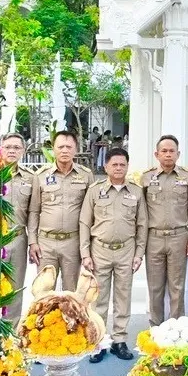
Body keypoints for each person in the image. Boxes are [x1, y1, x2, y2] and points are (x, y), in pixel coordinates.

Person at [80, 147, 145, 363]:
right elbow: (84, 222)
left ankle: (119, 340)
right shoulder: (94, 190)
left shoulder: (136, 192)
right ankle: (99, 341)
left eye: (122, 164)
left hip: (126, 250)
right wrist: (85, 253)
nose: (118, 168)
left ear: (127, 166)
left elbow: (142, 224)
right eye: (114, 164)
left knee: (123, 297)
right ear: (106, 166)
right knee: (99, 299)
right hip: (100, 250)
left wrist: (139, 253)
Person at [140, 135, 188, 325]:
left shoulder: (187, 177)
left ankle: (176, 328)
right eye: (164, 151)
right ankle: (155, 327)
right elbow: (140, 212)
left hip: (179, 237)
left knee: (177, 286)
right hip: (153, 237)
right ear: (156, 154)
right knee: (155, 286)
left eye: (171, 151)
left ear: (178, 154)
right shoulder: (146, 178)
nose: (168, 154)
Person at [28, 130, 95, 291]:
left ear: (76, 149)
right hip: (46, 243)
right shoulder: (41, 176)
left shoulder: (86, 175)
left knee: (70, 293)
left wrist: (88, 246)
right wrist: (32, 242)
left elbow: (92, 212)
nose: (64, 150)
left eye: (69, 147)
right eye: (60, 147)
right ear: (53, 149)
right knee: (44, 292)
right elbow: (34, 211)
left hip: (73, 242)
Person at [0, 133, 35, 319]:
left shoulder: (30, 178)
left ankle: (9, 336)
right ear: (0, 148)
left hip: (19, 238)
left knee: (14, 288)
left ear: (23, 150)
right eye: (8, 147)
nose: (12, 151)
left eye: (16, 148)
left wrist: (33, 243)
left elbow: (34, 213)